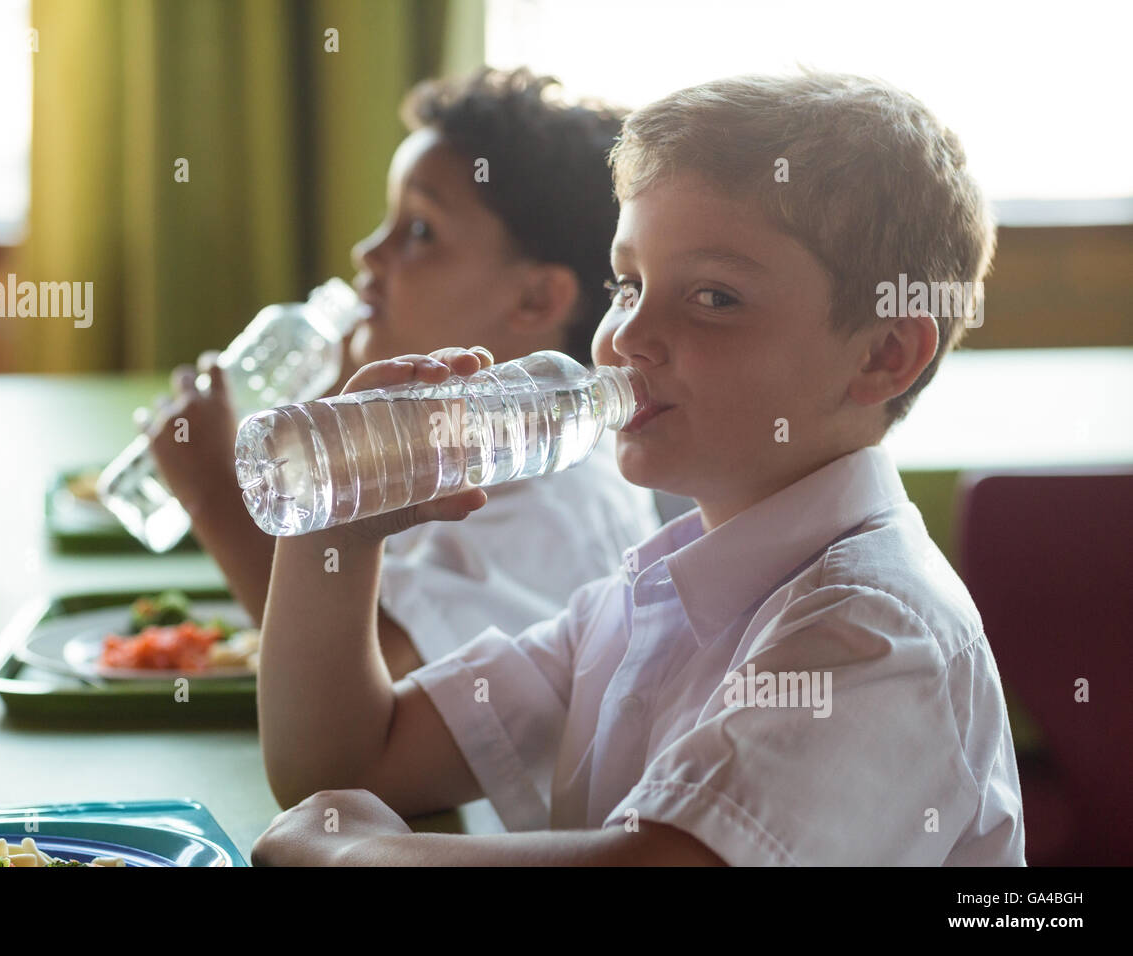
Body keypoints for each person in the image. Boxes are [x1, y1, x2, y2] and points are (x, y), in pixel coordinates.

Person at [251, 72, 1026, 866]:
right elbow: (347, 756)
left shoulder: (876, 632)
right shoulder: (640, 601)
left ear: (883, 355)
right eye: (629, 285)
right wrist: (336, 524)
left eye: (714, 298)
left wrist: (358, 857)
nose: (629, 335)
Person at [147, 67, 659, 679]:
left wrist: (216, 494)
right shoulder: (450, 435)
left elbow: (374, 687)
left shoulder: (555, 501)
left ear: (535, 302)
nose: (368, 252)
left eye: (419, 231)